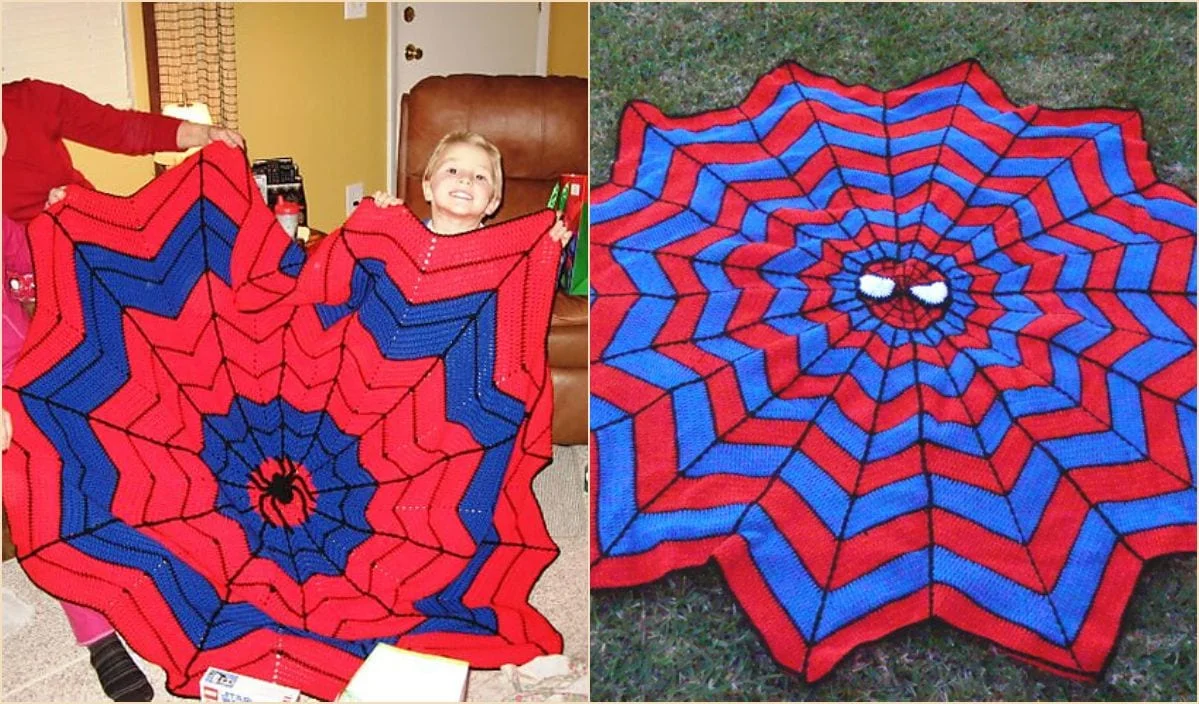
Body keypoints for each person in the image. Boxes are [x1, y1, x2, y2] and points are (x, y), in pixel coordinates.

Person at [1, 79, 243, 701]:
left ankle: (196, 576)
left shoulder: (25, 100)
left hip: (90, 276)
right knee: (37, 461)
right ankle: (97, 632)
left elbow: (118, 128)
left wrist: (202, 138)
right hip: (13, 326)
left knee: (182, 402)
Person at [2, 78, 245, 225]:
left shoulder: (29, 100)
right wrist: (42, 225)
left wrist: (205, 133)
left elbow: (118, 128)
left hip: (90, 234)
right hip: (23, 282)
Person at [371, 130, 571, 242]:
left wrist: (550, 255)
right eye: (452, 170)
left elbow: (527, 294)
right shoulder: (402, 238)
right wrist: (379, 221)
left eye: (480, 176)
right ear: (428, 188)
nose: (466, 179)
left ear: (492, 202)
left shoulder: (500, 253)